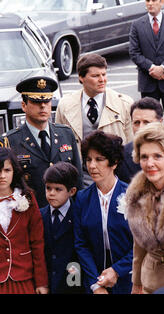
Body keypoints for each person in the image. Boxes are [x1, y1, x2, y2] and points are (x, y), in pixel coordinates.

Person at [121, 122, 164, 294]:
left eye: (157, 156)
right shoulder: (136, 195)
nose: (149, 163)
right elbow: (139, 246)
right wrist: (136, 283)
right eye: (144, 157)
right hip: (150, 282)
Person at [1, 76, 83, 207]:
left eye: (47, 101)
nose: (43, 106)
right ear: (24, 105)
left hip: (66, 214)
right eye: (36, 102)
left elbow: (77, 179)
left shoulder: (66, 134)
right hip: (31, 213)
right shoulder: (10, 141)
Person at [56, 54, 133, 186]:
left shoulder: (124, 103)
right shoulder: (65, 105)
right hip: (81, 179)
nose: (102, 80)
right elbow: (59, 145)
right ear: (81, 77)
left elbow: (131, 145)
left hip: (115, 177)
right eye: (95, 76)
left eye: (104, 74)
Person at [73, 131, 133, 294]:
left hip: (130, 279)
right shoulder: (82, 198)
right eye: (89, 160)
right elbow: (81, 244)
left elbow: (141, 243)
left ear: (113, 163)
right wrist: (95, 284)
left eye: (99, 159)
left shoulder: (132, 195)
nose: (92, 166)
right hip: (95, 279)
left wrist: (117, 270)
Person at [129, 0, 164, 128]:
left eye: (153, 0)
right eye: (147, 0)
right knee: (149, 123)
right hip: (148, 82)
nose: (150, 3)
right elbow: (134, 52)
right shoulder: (137, 25)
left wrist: (163, 68)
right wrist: (153, 68)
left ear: (162, 2)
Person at [0, 148, 48, 294]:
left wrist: (41, 282)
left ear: (14, 171)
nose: (2, 175)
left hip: (23, 278)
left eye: (7, 170)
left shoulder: (27, 198)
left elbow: (37, 243)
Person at [40, 162, 84, 294]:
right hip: (47, 284)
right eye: (48, 188)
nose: (51, 193)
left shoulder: (79, 215)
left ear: (72, 191)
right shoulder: (40, 215)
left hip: (73, 285)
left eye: (58, 189)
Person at [116, 97, 164, 184]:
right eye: (137, 123)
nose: (141, 128)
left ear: (160, 122)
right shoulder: (121, 156)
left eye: (146, 122)